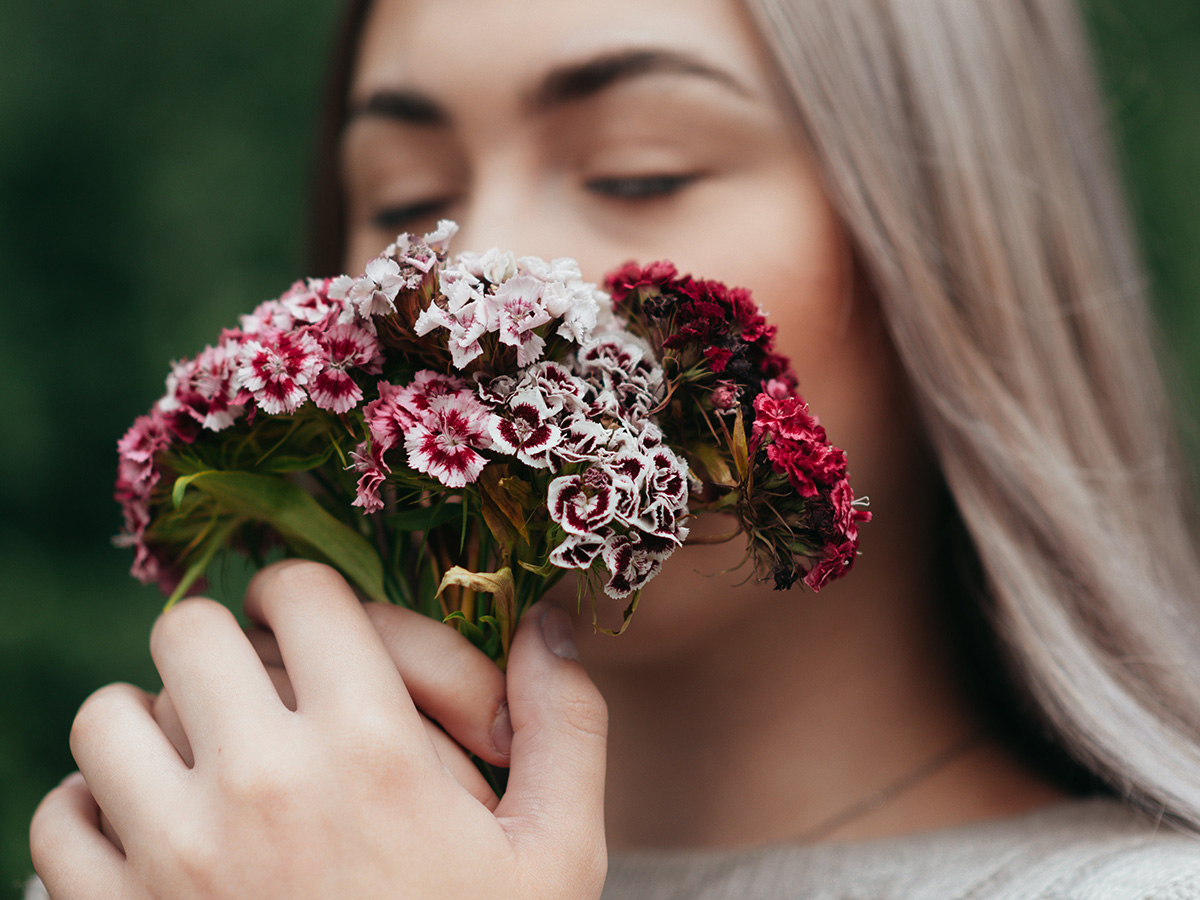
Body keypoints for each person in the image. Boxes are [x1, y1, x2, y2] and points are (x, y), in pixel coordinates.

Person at [28, 0, 1200, 897]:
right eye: (406, 197)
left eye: (640, 171)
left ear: (956, 254)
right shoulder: (184, 858)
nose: (482, 271)